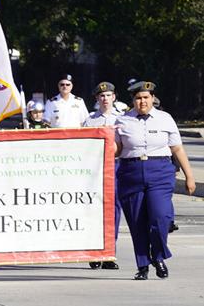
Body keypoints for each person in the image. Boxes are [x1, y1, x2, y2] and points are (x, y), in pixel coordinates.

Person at [114, 81, 196, 280]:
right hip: (131, 172)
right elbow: (116, 150)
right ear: (133, 100)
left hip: (159, 171)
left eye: (145, 97)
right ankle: (143, 265)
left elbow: (177, 149)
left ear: (153, 98)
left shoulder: (165, 119)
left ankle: (158, 255)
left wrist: (189, 176)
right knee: (136, 221)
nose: (142, 101)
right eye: (138, 98)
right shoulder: (122, 121)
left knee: (160, 217)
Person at [82, 81, 122, 269]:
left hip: (116, 167)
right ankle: (94, 252)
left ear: (114, 97)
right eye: (101, 96)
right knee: (94, 209)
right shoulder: (90, 121)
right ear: (97, 98)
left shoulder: (123, 119)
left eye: (108, 95)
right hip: (96, 169)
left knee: (113, 210)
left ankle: (108, 253)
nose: (105, 99)